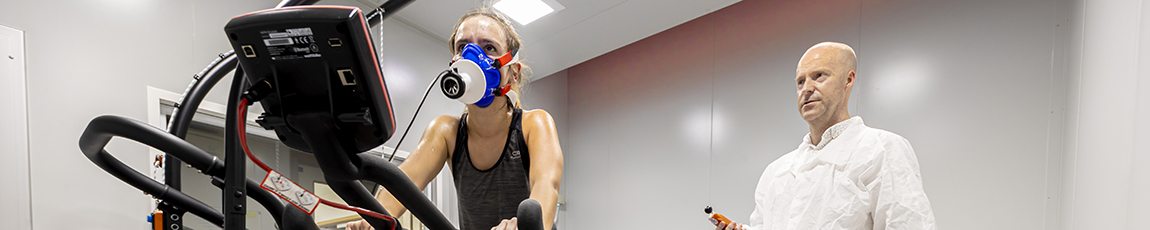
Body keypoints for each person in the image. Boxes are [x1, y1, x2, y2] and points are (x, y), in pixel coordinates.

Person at [347, 7, 564, 230]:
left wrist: (529, 226)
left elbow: (547, 185)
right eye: (463, 47)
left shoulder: (533, 124)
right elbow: (403, 183)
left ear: (513, 72)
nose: (472, 57)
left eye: (489, 47)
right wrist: (372, 221)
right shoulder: (446, 131)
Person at [712, 42, 936, 230]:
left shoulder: (881, 149)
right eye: (800, 81)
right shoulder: (776, 172)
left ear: (848, 80)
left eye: (819, 76)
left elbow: (907, 223)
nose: (806, 89)